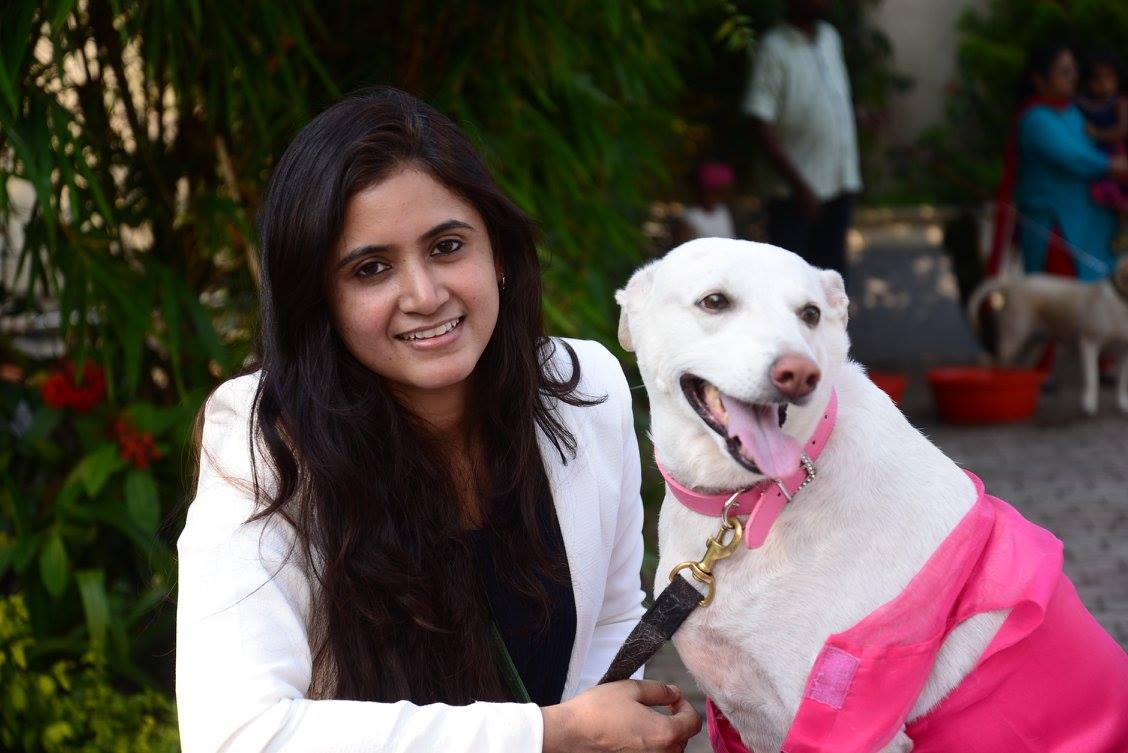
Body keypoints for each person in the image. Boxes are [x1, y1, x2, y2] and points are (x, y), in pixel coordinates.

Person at [176, 88, 701, 753]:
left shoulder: (585, 391)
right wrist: (551, 734)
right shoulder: (264, 440)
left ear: (498, 254)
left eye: (447, 246)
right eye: (371, 269)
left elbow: (613, 622)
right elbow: (237, 734)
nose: (424, 295)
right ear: (320, 297)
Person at [988, 43, 1127, 283]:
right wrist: (1113, 165)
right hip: (1057, 231)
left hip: (1091, 227)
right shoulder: (1035, 119)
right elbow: (1075, 158)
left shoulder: (1073, 111)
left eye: (1074, 70)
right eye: (1064, 72)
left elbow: (1094, 147)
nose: (1073, 77)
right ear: (1039, 80)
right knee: (1062, 299)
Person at [743, 0, 861, 279]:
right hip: (795, 198)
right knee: (792, 283)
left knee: (831, 282)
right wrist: (801, 188)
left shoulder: (830, 38)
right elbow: (759, 123)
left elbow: (826, 102)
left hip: (838, 185)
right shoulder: (774, 48)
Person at [1077, 50, 1128, 212]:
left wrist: (1097, 134)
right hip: (1093, 156)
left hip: (1115, 155)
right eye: (1097, 79)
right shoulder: (1083, 102)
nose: (1104, 84)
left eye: (1108, 78)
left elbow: (1122, 130)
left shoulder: (1120, 102)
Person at [672, 162, 737, 244]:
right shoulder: (690, 218)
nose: (723, 196)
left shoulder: (722, 210)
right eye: (719, 192)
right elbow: (682, 248)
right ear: (705, 191)